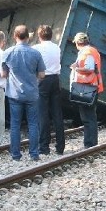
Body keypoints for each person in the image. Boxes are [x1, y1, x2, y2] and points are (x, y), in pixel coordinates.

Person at [2, 25, 46, 161]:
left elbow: (4, 74)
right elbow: (42, 74)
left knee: (15, 124)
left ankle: (16, 155)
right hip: (32, 93)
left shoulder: (8, 53)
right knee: (33, 124)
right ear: (28, 37)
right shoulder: (36, 53)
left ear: (15, 36)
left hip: (14, 94)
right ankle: (34, 154)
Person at [33, 25, 64, 155]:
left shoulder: (36, 49)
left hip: (42, 81)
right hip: (55, 80)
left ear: (39, 36)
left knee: (43, 114)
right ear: (51, 35)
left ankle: (44, 147)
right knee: (57, 113)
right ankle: (60, 146)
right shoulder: (57, 47)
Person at [70, 32, 104, 148]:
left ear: (78, 43)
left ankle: (90, 144)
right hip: (89, 86)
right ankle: (90, 143)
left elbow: (89, 68)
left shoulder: (87, 52)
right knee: (89, 117)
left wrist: (76, 68)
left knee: (88, 117)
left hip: (88, 87)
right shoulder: (91, 51)